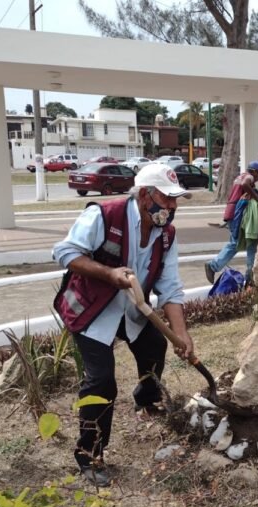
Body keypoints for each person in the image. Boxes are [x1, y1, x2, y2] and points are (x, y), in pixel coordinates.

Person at [53, 163, 195, 487]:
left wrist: (181, 334)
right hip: (91, 313)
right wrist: (109, 273)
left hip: (131, 312)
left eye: (175, 200)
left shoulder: (166, 235)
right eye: (167, 198)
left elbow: (170, 288)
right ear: (145, 195)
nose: (172, 207)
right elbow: (64, 252)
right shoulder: (105, 216)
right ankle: (89, 456)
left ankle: (145, 400)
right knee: (101, 382)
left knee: (154, 348)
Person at [204, 161, 258, 285]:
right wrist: (256, 197)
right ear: (253, 171)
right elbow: (245, 185)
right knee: (241, 243)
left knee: (245, 243)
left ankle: (249, 276)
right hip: (236, 214)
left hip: (232, 211)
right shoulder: (248, 177)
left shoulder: (240, 176)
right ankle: (215, 266)